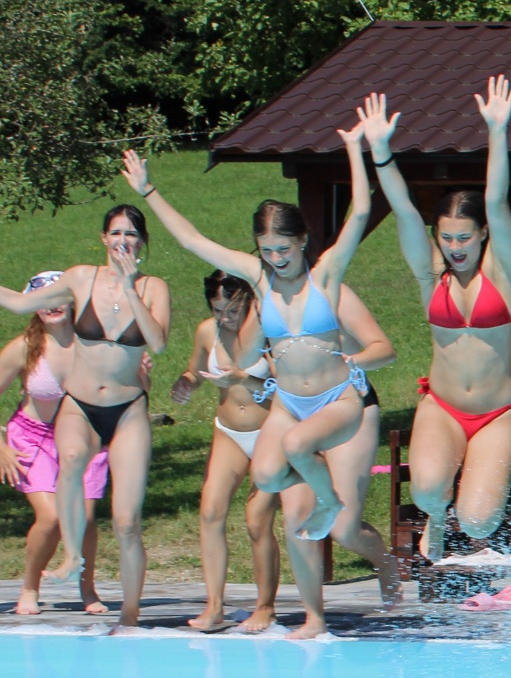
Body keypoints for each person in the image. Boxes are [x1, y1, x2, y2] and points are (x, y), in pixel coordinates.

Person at [127, 131, 400, 638]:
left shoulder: (326, 277)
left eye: (283, 249)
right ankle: (315, 609)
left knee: (328, 507)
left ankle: (355, 537)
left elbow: (361, 210)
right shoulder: (258, 278)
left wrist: (358, 151)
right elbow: (193, 241)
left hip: (338, 400)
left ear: (302, 242)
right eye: (266, 250)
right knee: (270, 479)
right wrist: (149, 191)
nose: (275, 258)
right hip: (290, 403)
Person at [362, 82, 511, 560]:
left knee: (480, 521)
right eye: (446, 238)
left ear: (483, 234)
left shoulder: (498, 274)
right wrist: (381, 152)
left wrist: (497, 131)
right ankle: (436, 518)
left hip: (496, 411)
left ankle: (459, 510)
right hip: (441, 405)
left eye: (464, 237)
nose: (455, 247)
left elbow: (497, 201)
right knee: (426, 493)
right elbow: (403, 211)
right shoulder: (431, 276)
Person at [35, 203, 170, 629]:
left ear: (142, 242)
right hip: (80, 404)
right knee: (73, 458)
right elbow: (23, 303)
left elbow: (158, 343)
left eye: (131, 234)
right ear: (103, 238)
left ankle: (130, 614)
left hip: (128, 410)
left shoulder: (153, 287)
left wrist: (130, 288)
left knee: (127, 522)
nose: (123, 240)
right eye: (116, 232)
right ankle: (72, 555)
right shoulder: (80, 278)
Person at [167, 272, 281, 633]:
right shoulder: (207, 331)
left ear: (247, 301)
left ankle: (265, 606)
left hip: (269, 431)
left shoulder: (267, 331)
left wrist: (243, 378)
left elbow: (285, 385)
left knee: (257, 519)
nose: (225, 319)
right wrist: (186, 382)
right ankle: (214, 605)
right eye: (218, 311)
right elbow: (195, 370)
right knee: (210, 511)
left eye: (232, 311)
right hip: (229, 433)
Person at [0, 273, 106, 616]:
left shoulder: (92, 344)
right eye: (42, 300)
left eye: (57, 296)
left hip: (84, 438)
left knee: (84, 517)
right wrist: (1, 447)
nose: (52, 305)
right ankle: (30, 587)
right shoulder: (24, 348)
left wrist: (142, 375)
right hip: (34, 437)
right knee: (51, 517)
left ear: (73, 300)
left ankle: (87, 587)